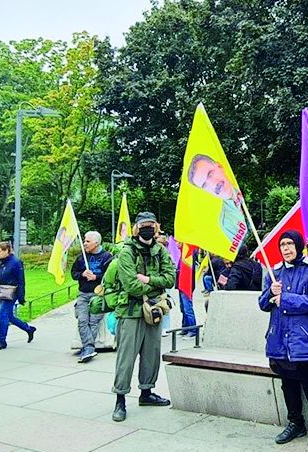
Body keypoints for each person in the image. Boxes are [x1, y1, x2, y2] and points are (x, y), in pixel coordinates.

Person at [258, 230, 308, 450]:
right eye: (282, 245)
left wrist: (286, 299)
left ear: (299, 246)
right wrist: (270, 292)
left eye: (290, 244)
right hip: (279, 339)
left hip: (303, 341)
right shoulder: (273, 272)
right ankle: (295, 422)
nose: (286, 248)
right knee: (288, 384)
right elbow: (262, 304)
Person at [111, 212, 176, 422]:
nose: (147, 228)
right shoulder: (127, 252)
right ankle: (120, 399)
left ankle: (146, 393)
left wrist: (148, 278)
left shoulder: (161, 251)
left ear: (156, 227)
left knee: (152, 354)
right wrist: (154, 288)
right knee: (126, 357)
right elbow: (130, 284)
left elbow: (171, 278)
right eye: (143, 225)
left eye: (151, 225)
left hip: (154, 312)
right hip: (131, 312)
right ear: (136, 228)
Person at [186, 153, 247, 247]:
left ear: (219, 166)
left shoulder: (241, 188)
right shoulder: (226, 223)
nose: (212, 184)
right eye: (204, 185)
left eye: (210, 174)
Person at [71, 231, 113, 363]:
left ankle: (87, 348)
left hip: (99, 294)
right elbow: (73, 273)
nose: (84, 243)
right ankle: (89, 348)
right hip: (83, 294)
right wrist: (82, 274)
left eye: (87, 241)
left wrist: (96, 277)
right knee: (82, 320)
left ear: (96, 243)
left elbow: (111, 277)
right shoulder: (81, 258)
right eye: (84, 240)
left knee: (94, 321)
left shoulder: (107, 257)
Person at [0, 241, 34, 352]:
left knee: (1, 314)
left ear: (6, 251)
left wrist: (21, 296)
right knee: (9, 316)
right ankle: (28, 329)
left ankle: (1, 341)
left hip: (12, 293)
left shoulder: (16, 263)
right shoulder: (0, 263)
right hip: (2, 292)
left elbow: (21, 280)